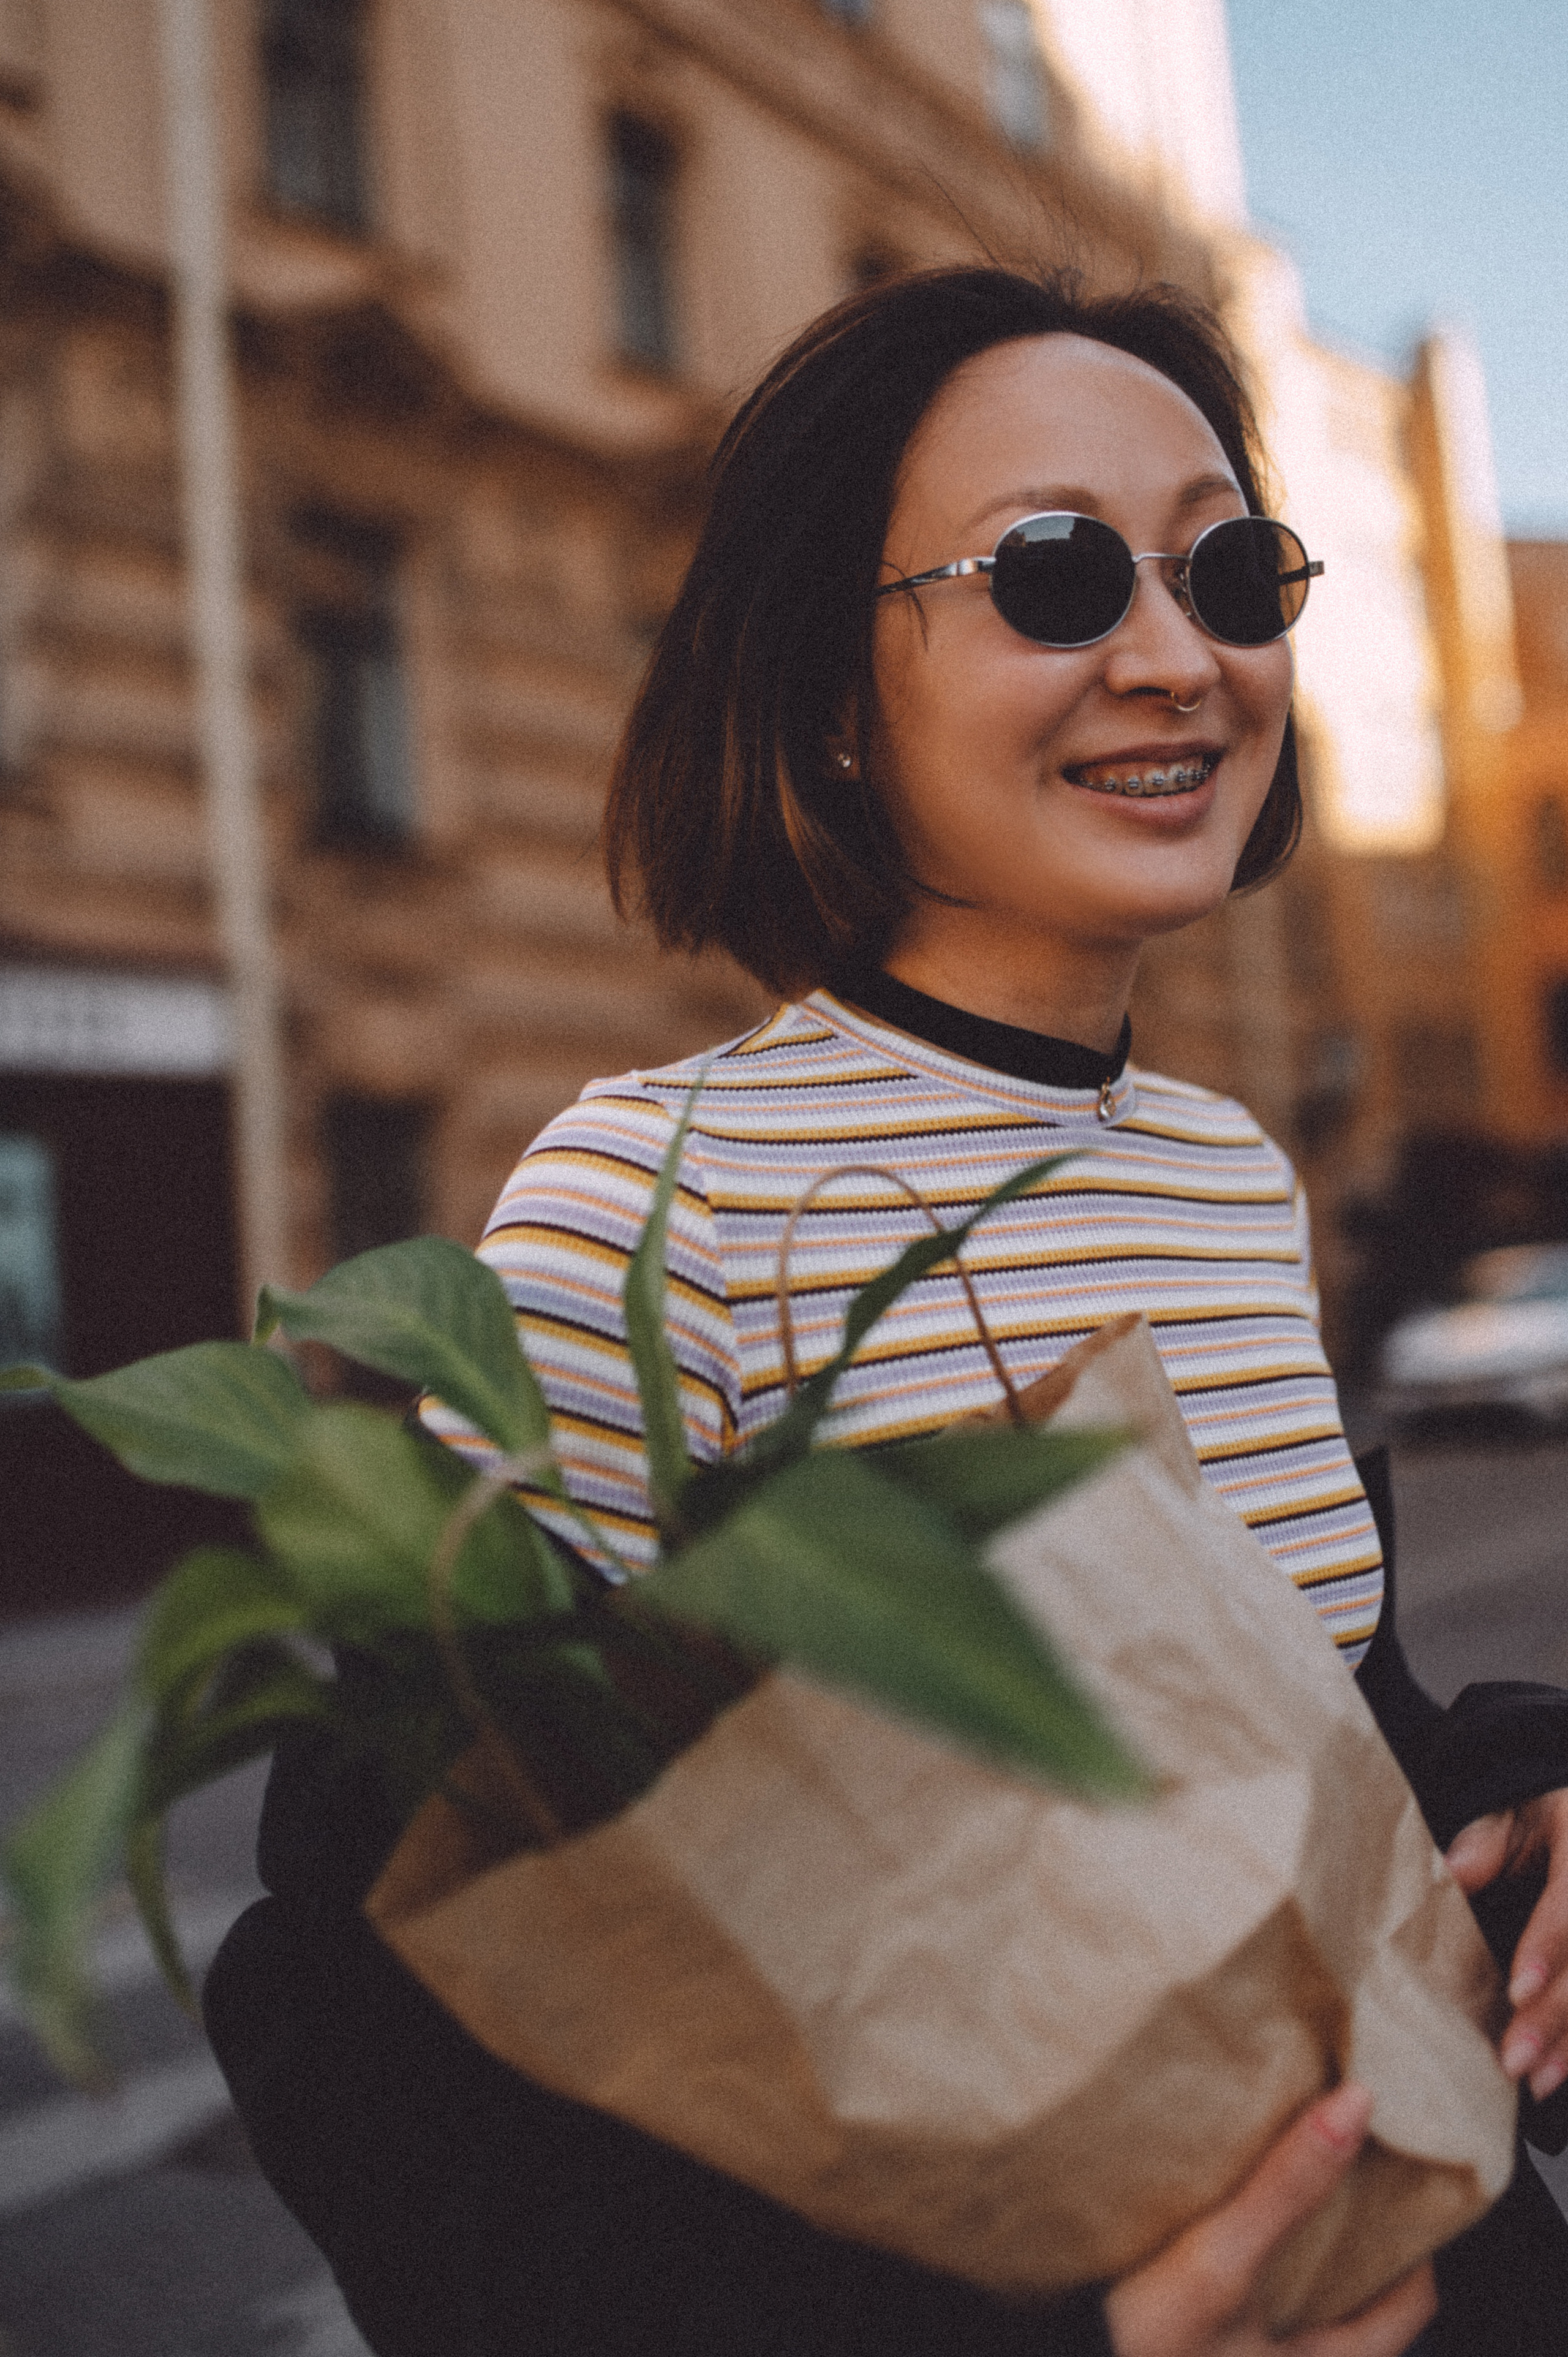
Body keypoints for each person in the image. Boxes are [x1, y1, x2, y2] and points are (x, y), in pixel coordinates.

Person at [206, 267, 1568, 2356]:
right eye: (1051, 575)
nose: (1173, 655)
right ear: (834, 695)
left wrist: (1528, 1793)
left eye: (1226, 569)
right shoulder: (660, 1187)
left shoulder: (1223, 1174)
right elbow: (366, 2008)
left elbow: (1307, 1721)